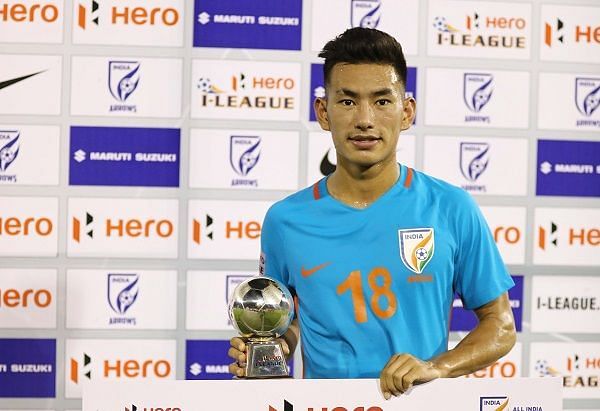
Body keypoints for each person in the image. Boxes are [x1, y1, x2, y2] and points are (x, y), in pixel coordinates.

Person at [229, 27, 516, 399]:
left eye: (382, 101)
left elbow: (501, 326)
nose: (365, 119)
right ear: (324, 111)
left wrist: (437, 366)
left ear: (406, 111)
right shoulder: (286, 221)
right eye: (348, 102)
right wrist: (272, 350)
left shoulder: (452, 208)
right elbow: (288, 325)